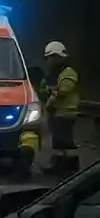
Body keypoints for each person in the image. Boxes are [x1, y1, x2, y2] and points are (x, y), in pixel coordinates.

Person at [39, 41, 80, 176]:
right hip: (56, 113)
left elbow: (61, 92)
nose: (49, 61)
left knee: (66, 141)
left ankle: (72, 167)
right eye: (48, 58)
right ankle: (58, 166)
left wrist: (49, 104)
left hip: (65, 113)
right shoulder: (52, 75)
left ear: (58, 57)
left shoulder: (69, 73)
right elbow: (45, 90)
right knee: (58, 142)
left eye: (51, 57)